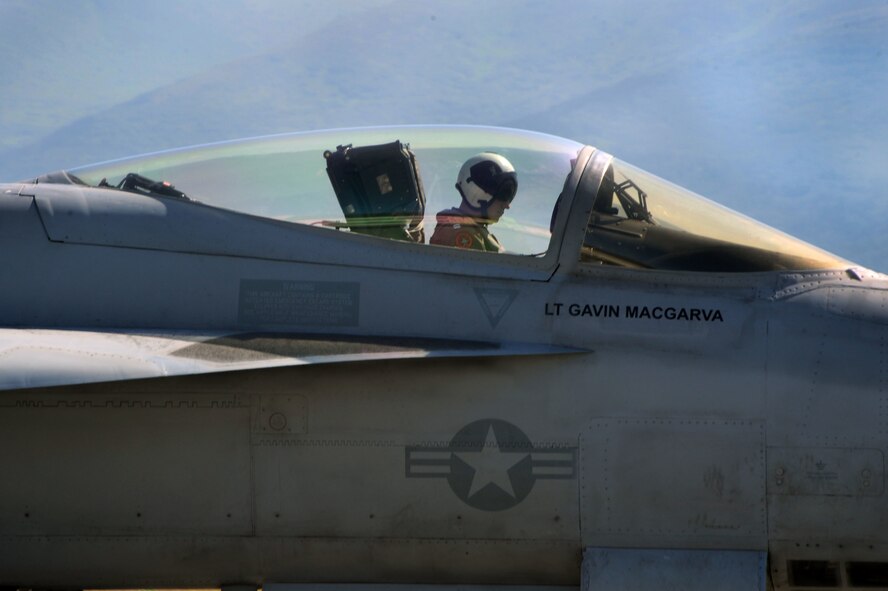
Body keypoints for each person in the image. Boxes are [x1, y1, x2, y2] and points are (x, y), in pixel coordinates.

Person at [430, 153, 517, 252]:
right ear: (479, 191)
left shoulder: (474, 230)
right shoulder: (463, 234)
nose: (507, 206)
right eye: (503, 195)